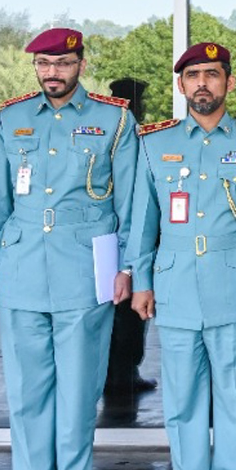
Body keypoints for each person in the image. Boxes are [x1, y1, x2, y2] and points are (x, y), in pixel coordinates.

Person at [0, 26, 138, 470]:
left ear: (80, 63)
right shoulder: (12, 119)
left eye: (64, 63)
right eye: (45, 65)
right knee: (27, 395)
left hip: (84, 268)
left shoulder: (113, 120)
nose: (54, 73)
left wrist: (129, 266)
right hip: (22, 267)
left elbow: (132, 201)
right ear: (35, 68)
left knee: (77, 392)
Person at [127, 42, 236, 470]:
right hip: (173, 285)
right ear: (180, 85)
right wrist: (142, 280)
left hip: (234, 284)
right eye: (192, 75)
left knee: (235, 400)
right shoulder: (154, 143)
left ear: (229, 83)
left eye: (212, 75)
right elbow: (142, 220)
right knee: (183, 402)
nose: (202, 84)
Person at [103, 78, 156, 410]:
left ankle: (118, 373)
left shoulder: (116, 129)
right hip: (125, 237)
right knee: (129, 313)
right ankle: (123, 374)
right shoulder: (129, 131)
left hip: (107, 237)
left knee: (119, 312)